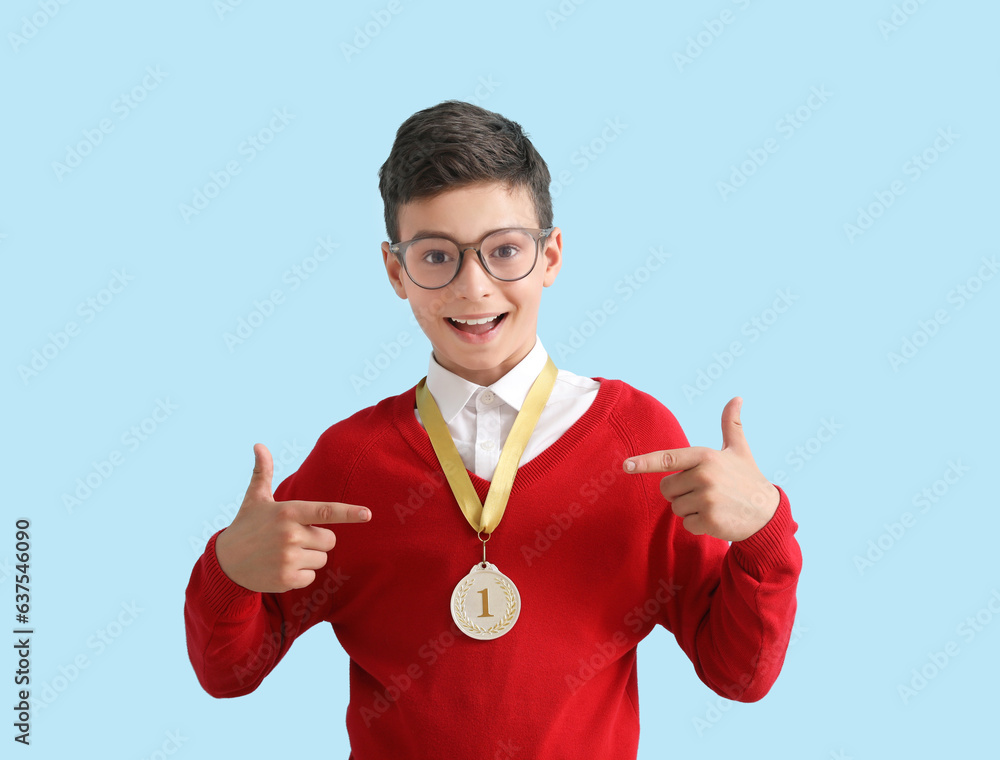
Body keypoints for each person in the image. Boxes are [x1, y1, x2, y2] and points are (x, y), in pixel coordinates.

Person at [184, 99, 802, 759]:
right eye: (436, 256)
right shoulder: (352, 463)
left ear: (551, 256)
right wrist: (228, 569)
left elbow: (738, 674)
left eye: (504, 250)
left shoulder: (638, 441)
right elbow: (230, 673)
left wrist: (765, 532)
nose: (473, 287)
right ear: (396, 271)